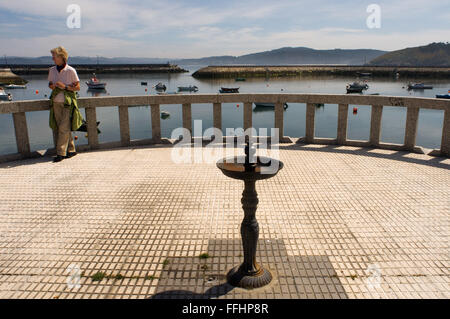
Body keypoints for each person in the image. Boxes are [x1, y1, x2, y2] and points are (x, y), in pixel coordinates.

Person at [48, 46, 82, 162]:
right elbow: (50, 84)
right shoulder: (52, 70)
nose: (53, 58)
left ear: (62, 57)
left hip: (68, 103)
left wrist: (65, 87)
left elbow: (78, 87)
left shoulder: (71, 70)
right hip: (56, 102)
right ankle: (71, 150)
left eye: (55, 56)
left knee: (63, 128)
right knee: (62, 128)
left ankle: (60, 153)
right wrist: (52, 86)